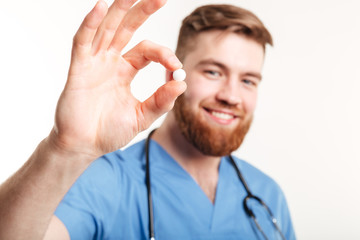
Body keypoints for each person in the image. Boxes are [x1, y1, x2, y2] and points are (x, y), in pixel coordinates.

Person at [0, 0, 296, 239]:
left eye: (248, 80)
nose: (232, 96)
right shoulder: (104, 181)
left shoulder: (266, 195)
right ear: (174, 71)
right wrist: (65, 148)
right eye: (213, 72)